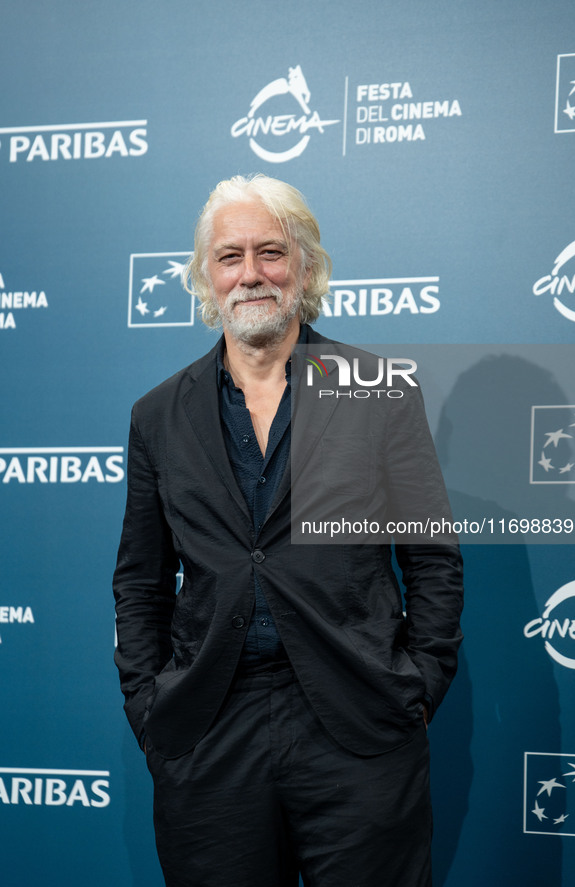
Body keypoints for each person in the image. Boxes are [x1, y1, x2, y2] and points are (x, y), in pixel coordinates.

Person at [113, 173, 463, 887]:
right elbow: (139, 579)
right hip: (210, 729)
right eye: (229, 256)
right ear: (205, 277)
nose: (251, 274)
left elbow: (431, 556)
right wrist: (150, 710)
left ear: (304, 265)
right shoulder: (156, 415)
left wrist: (418, 684)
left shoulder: (378, 388)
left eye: (270, 252)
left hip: (358, 719)